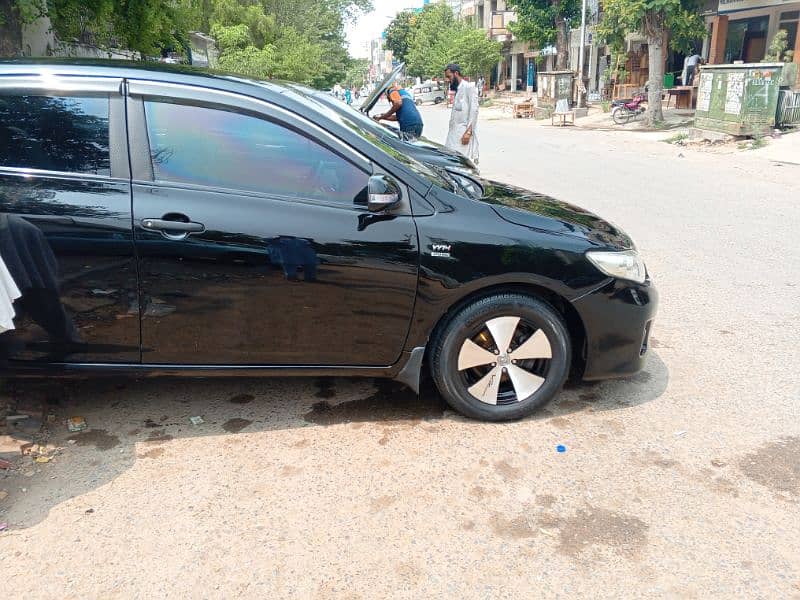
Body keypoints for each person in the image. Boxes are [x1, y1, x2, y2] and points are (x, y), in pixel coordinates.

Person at [444, 63, 479, 164]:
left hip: (463, 135)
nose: (447, 80)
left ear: (456, 73)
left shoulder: (468, 88)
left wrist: (468, 133)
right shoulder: (458, 90)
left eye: (449, 76)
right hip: (453, 135)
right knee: (449, 162)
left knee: (461, 165)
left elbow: (474, 111)